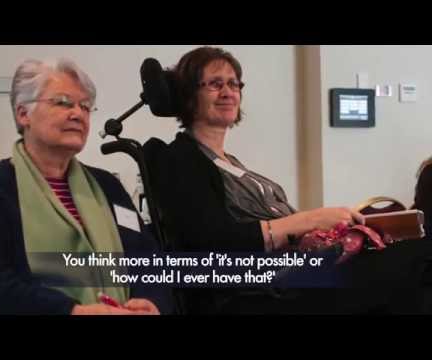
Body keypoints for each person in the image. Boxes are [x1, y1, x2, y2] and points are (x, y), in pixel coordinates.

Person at [144, 46, 419, 314]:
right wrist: (309, 220)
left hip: (295, 272)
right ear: (189, 95)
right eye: (215, 84)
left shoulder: (230, 162)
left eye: (234, 84)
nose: (228, 92)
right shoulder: (180, 159)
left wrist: (320, 229)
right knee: (419, 260)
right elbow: (214, 241)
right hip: (257, 291)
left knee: (412, 255)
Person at [0, 58, 173, 315]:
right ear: (23, 113)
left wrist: (152, 301)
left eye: (85, 106)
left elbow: (149, 261)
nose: (77, 113)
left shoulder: (108, 186)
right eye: (62, 102)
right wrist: (72, 311)